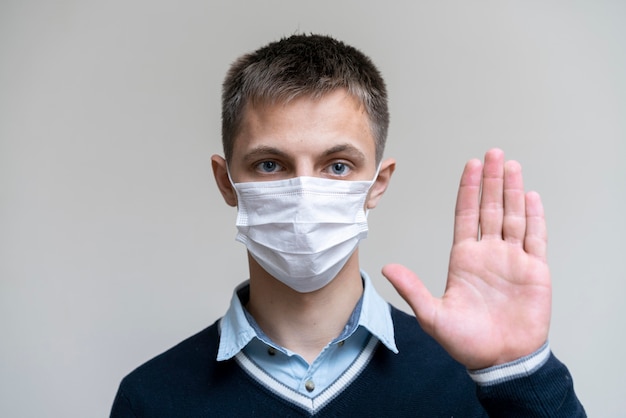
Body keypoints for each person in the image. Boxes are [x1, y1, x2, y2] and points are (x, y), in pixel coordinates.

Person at [110, 34, 585, 417]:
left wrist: (522, 373)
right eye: (270, 165)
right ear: (226, 181)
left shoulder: (475, 378)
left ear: (377, 184)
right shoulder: (150, 400)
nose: (303, 194)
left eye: (337, 166)